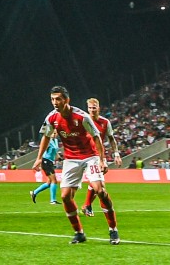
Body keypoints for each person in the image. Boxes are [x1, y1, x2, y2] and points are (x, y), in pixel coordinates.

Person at [29, 86, 117, 245]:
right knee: (65, 196)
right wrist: (39, 158)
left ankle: (113, 230)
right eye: (52, 99)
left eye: (58, 99)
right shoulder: (51, 118)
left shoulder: (82, 117)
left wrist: (102, 160)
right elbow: (46, 137)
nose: (55, 102)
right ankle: (79, 233)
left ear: (66, 100)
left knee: (100, 190)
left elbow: (96, 137)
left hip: (90, 156)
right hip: (70, 159)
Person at [81, 98, 112, 217]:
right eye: (89, 108)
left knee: (99, 186)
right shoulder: (83, 121)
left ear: (98, 108)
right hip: (86, 155)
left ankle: (87, 205)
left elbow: (111, 138)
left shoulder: (105, 122)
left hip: (99, 155)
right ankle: (87, 205)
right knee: (100, 186)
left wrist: (116, 154)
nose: (92, 110)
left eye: (94, 108)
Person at [30, 131, 63, 205]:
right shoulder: (48, 141)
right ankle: (53, 200)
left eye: (55, 133)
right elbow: (42, 152)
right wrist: (37, 164)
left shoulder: (55, 141)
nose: (54, 135)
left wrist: (59, 158)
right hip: (46, 161)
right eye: (53, 133)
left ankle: (34, 192)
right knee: (54, 180)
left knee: (49, 182)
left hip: (50, 162)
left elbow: (55, 151)